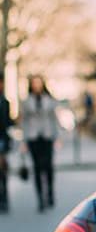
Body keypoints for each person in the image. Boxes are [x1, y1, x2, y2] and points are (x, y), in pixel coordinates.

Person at [20, 75, 59, 212]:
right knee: (37, 168)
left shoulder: (49, 99)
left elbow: (55, 119)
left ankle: (50, 194)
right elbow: (23, 122)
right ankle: (40, 199)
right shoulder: (26, 102)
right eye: (34, 83)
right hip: (33, 137)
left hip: (47, 137)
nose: (37, 86)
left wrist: (57, 138)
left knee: (48, 167)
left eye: (39, 83)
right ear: (31, 85)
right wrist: (23, 141)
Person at [0, 73, 12, 213]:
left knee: (2, 170)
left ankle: (4, 198)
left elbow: (7, 124)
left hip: (2, 140)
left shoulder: (5, 102)